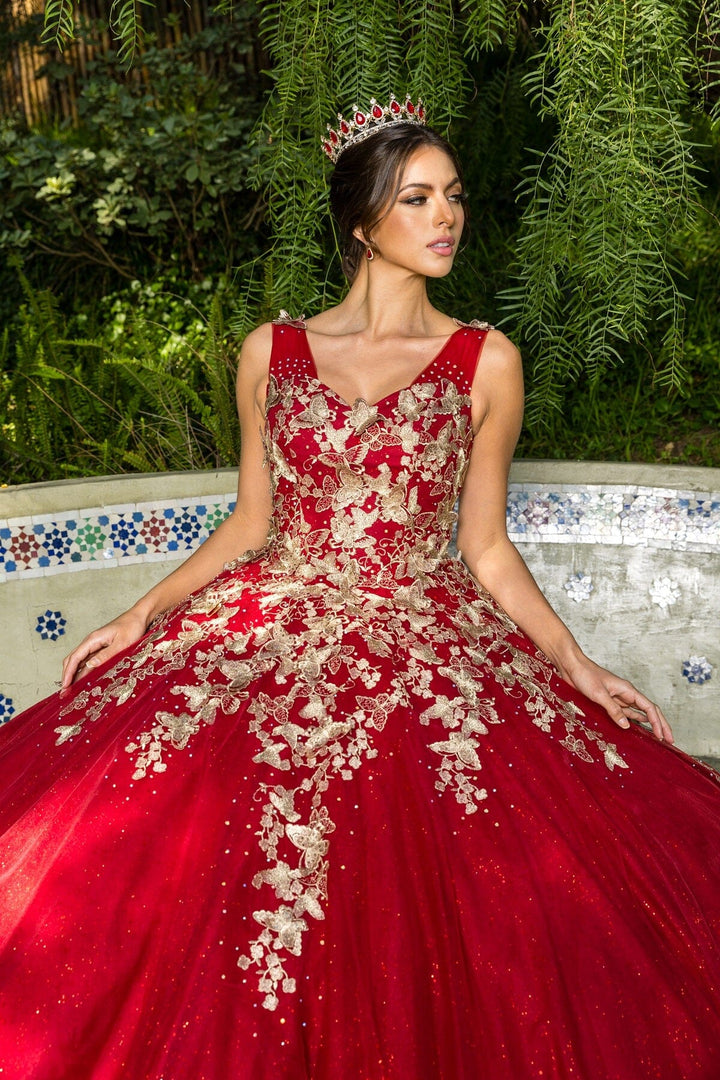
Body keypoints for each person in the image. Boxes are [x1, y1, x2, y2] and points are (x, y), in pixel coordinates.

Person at [0, 92, 718, 1080]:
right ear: (361, 222)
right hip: (271, 623)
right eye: (416, 198)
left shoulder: (486, 361)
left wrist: (575, 665)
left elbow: (486, 548)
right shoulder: (272, 351)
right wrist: (140, 615)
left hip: (429, 638)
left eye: (453, 195)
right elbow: (252, 523)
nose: (446, 216)